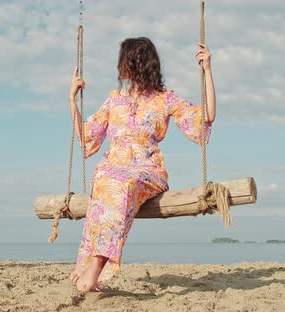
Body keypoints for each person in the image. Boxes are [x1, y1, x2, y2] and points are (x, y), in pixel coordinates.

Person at [67, 37, 216, 293]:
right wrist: (72, 99)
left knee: (120, 183)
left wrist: (208, 71)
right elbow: (86, 136)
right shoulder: (114, 100)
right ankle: (91, 259)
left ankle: (95, 265)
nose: (118, 67)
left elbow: (206, 118)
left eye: (123, 60)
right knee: (104, 178)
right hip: (111, 167)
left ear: (135, 63)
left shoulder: (164, 99)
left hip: (146, 171)